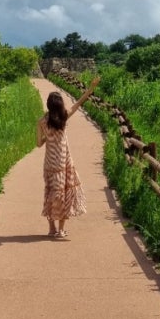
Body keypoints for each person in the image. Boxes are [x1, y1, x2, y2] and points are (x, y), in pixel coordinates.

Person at [36, 77, 100, 238]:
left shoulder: (42, 122)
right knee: (65, 193)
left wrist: (47, 137)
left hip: (50, 164)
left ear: (48, 105)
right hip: (65, 163)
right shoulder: (64, 116)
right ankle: (61, 230)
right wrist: (90, 89)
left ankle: (51, 228)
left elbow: (38, 144)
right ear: (60, 105)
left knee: (51, 193)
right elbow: (78, 103)